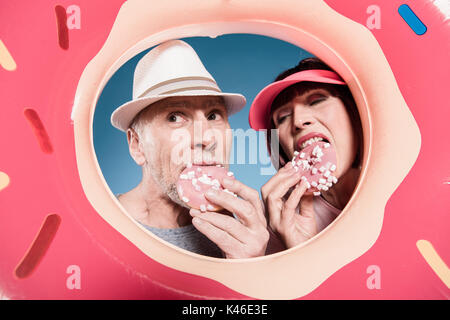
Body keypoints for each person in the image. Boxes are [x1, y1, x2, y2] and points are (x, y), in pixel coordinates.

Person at [110, 40, 269, 258]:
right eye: (175, 117)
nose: (205, 137)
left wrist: (252, 269)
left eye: (213, 115)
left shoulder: (246, 235)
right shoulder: (99, 225)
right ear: (137, 145)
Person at [249, 57, 363, 251]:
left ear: (355, 112)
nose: (298, 121)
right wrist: (300, 251)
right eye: (283, 117)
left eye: (317, 100)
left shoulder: (404, 179)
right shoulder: (280, 220)